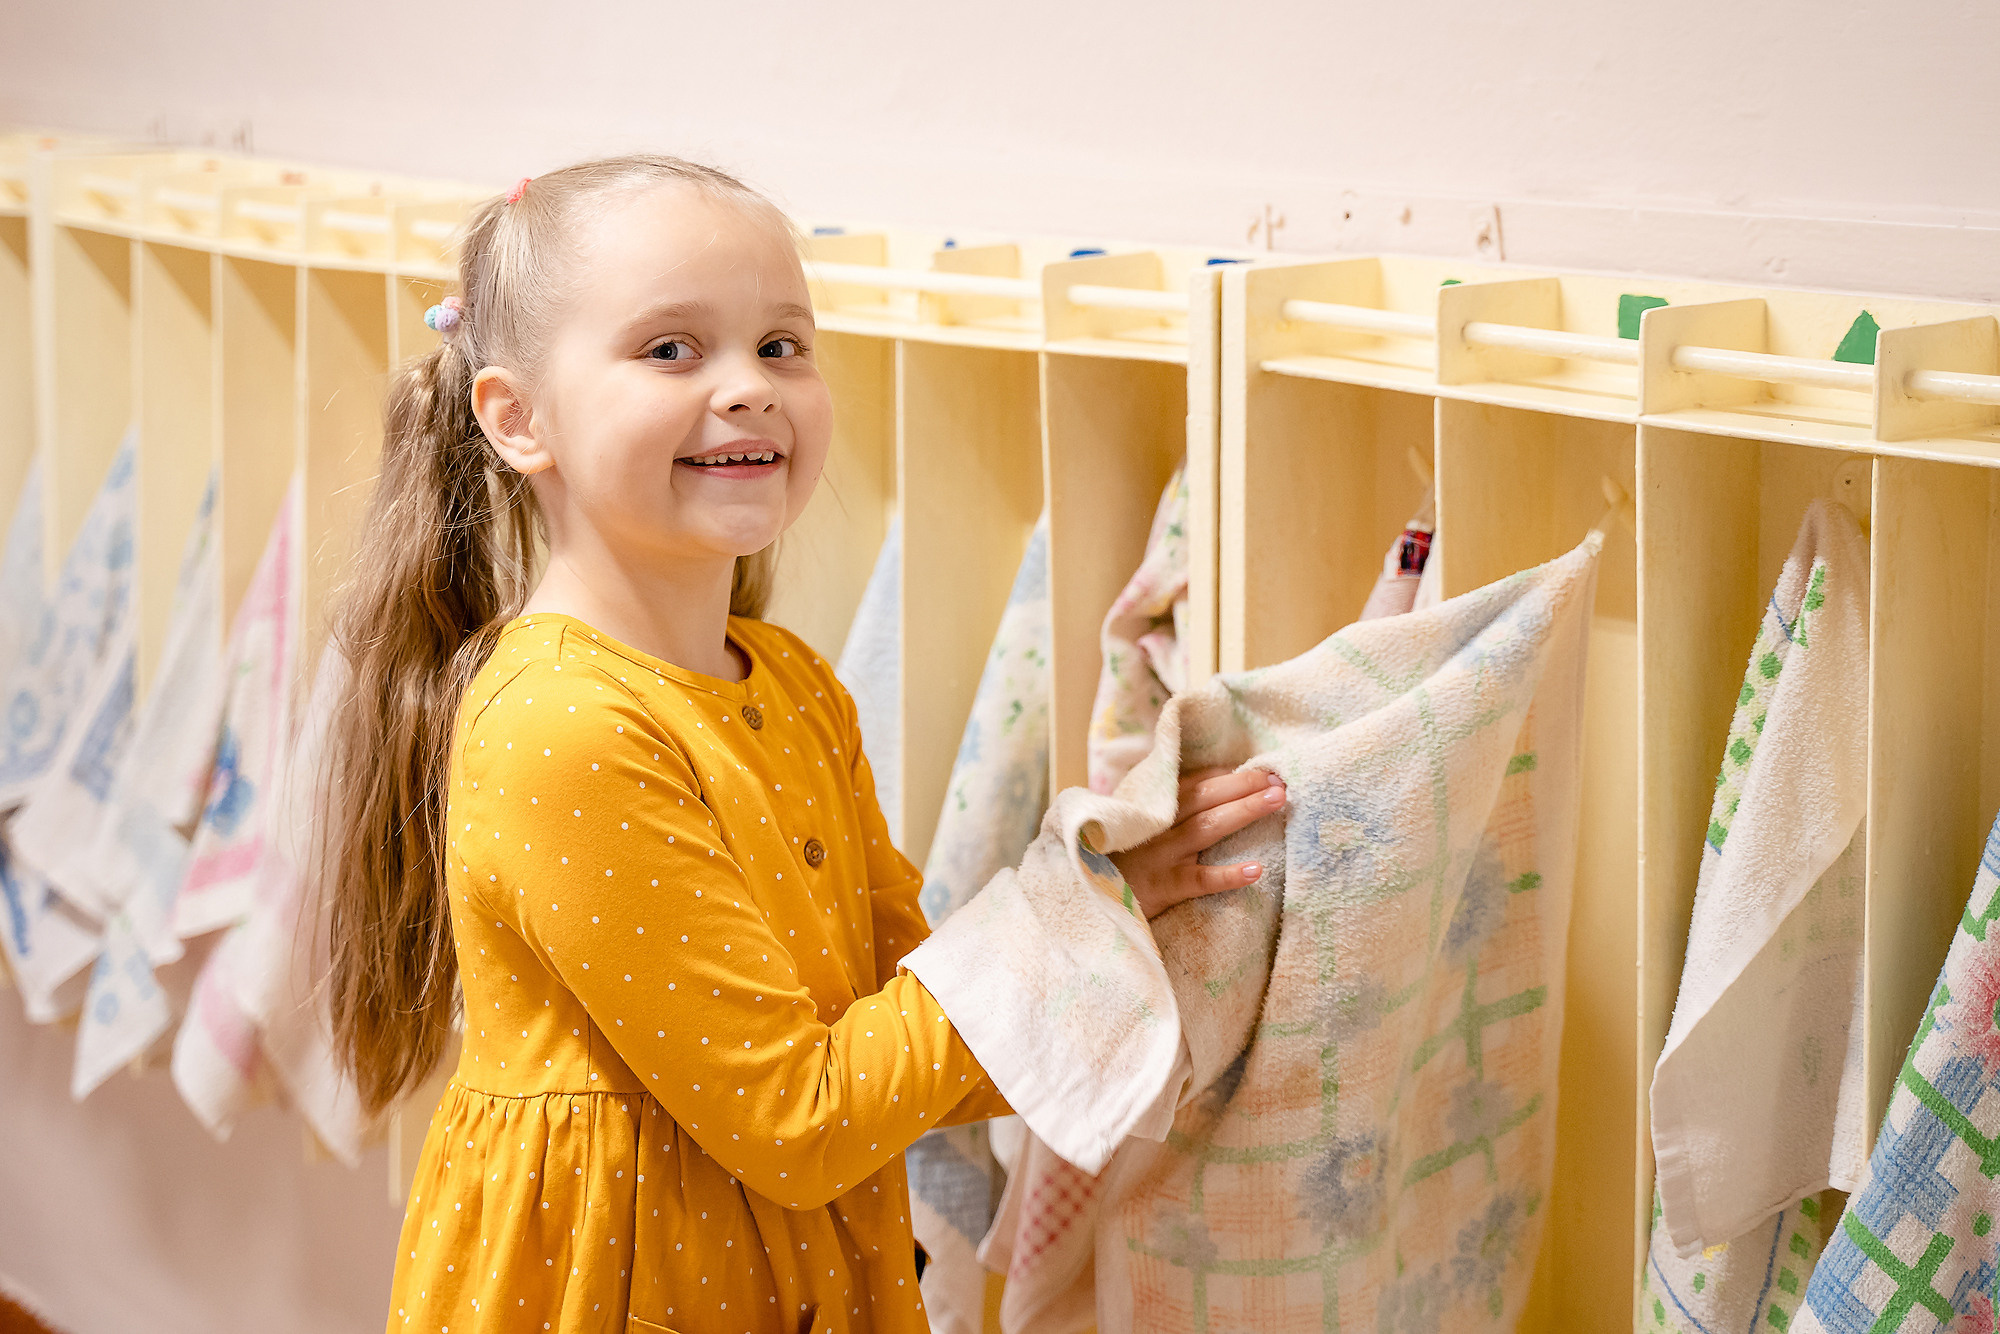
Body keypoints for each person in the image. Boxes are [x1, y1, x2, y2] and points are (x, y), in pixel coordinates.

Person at [319, 155, 1285, 1334]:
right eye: (671, 349)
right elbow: (797, 1112)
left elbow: (906, 1008)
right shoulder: (562, 727)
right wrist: (1067, 924)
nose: (750, 388)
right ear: (518, 419)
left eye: (781, 345)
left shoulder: (788, 681)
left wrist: (1134, 931)